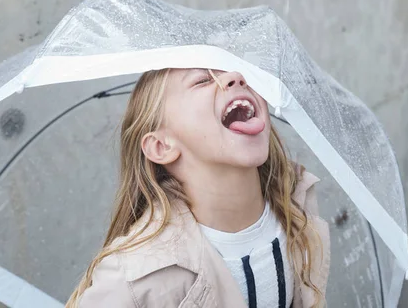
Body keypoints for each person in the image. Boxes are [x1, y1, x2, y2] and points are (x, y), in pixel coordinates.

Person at [66, 68, 330, 308]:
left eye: (237, 70)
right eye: (203, 80)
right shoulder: (136, 276)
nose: (236, 77)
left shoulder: (298, 204)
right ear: (162, 146)